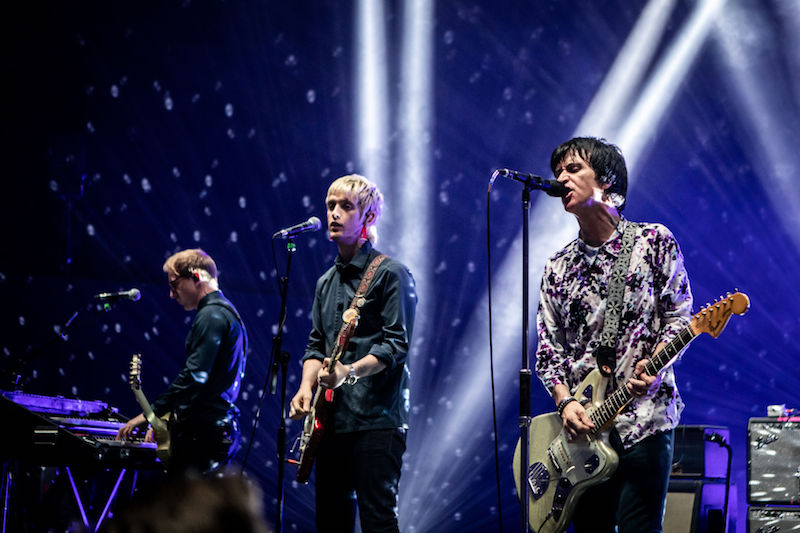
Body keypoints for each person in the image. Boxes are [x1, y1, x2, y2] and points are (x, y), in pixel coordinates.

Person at [534, 137, 693, 532]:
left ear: (606, 179)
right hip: (584, 435)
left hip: (644, 421)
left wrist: (656, 364)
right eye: (558, 172)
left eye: (574, 169)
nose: (561, 178)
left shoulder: (652, 242)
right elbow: (549, 351)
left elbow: (679, 316)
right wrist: (566, 402)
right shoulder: (557, 267)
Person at [288, 174, 417, 533]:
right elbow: (316, 344)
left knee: (378, 522)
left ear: (369, 217)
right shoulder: (325, 282)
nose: (334, 213)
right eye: (330, 205)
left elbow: (396, 345)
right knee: (331, 523)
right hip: (331, 421)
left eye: (345, 206)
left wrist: (348, 372)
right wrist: (305, 388)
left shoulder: (392, 273)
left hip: (378, 420)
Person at [117, 248, 247, 475]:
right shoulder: (227, 313)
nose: (171, 294)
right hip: (216, 430)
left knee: (183, 497)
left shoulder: (211, 316)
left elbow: (195, 378)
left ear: (196, 277)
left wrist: (151, 415)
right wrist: (167, 421)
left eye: (174, 284)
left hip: (203, 435)